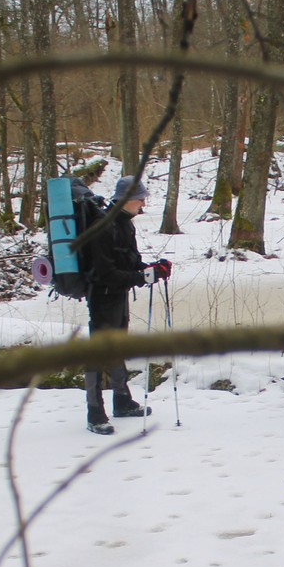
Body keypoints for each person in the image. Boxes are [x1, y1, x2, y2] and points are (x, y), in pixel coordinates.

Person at [83, 175, 171, 435]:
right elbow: (104, 273)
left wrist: (152, 269)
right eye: (140, 198)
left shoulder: (124, 224)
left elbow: (131, 262)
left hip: (118, 295)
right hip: (102, 297)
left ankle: (122, 402)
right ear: (127, 200)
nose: (143, 203)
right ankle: (94, 413)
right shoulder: (102, 226)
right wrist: (141, 277)